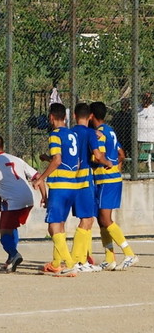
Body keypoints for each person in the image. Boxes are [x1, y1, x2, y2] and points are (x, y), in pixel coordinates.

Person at [0, 135, 45, 273]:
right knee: (12, 227)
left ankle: (14, 254)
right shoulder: (17, 159)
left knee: (4, 234)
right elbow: (38, 176)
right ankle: (11, 259)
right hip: (29, 199)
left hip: (13, 202)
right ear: (3, 146)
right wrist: (44, 197)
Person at [32, 103, 79, 277]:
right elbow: (74, 161)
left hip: (59, 186)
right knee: (60, 224)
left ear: (51, 118)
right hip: (72, 184)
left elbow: (58, 160)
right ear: (65, 117)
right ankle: (56, 263)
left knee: (53, 226)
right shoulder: (72, 134)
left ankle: (70, 264)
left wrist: (41, 178)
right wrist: (48, 159)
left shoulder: (55, 135)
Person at [90, 101, 139, 270]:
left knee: (105, 218)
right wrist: (113, 164)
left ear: (91, 116)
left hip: (107, 180)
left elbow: (99, 157)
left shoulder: (100, 134)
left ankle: (129, 253)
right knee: (101, 219)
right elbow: (121, 154)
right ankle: (109, 258)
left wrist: (95, 161)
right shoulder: (110, 130)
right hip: (110, 179)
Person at [70, 103, 111, 272]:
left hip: (70, 180)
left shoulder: (70, 132)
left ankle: (82, 260)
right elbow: (97, 155)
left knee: (87, 219)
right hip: (85, 180)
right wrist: (107, 162)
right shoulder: (90, 133)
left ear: (74, 116)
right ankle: (76, 261)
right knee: (87, 219)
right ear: (90, 117)